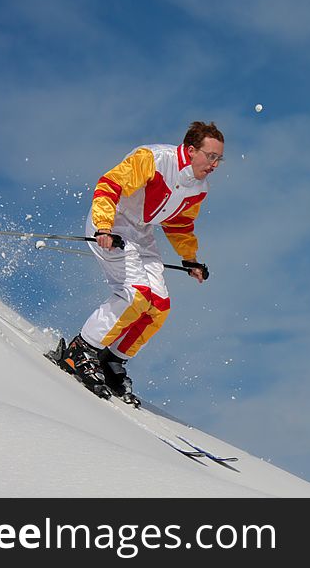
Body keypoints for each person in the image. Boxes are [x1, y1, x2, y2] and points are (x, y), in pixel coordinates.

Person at [55, 121, 224, 405]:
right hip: (113, 226)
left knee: (158, 305)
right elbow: (110, 185)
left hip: (141, 234)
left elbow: (180, 223)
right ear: (191, 150)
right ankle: (80, 349)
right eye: (211, 156)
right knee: (135, 295)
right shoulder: (154, 159)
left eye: (219, 158)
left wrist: (190, 258)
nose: (215, 164)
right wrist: (104, 228)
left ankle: (112, 359)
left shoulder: (199, 187)